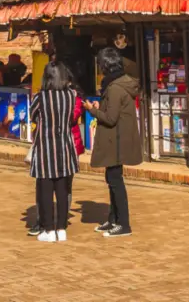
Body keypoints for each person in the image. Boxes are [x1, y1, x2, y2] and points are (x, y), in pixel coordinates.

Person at [85, 46, 141, 237]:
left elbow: (110, 118)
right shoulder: (116, 84)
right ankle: (113, 219)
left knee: (116, 181)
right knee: (112, 179)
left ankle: (123, 224)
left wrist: (92, 110)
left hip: (117, 140)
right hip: (116, 139)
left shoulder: (116, 87)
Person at [29, 61, 80, 242]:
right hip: (65, 147)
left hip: (45, 148)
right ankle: (62, 228)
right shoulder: (70, 96)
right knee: (62, 189)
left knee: (45, 189)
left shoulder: (40, 97)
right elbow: (72, 117)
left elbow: (32, 115)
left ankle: (48, 229)